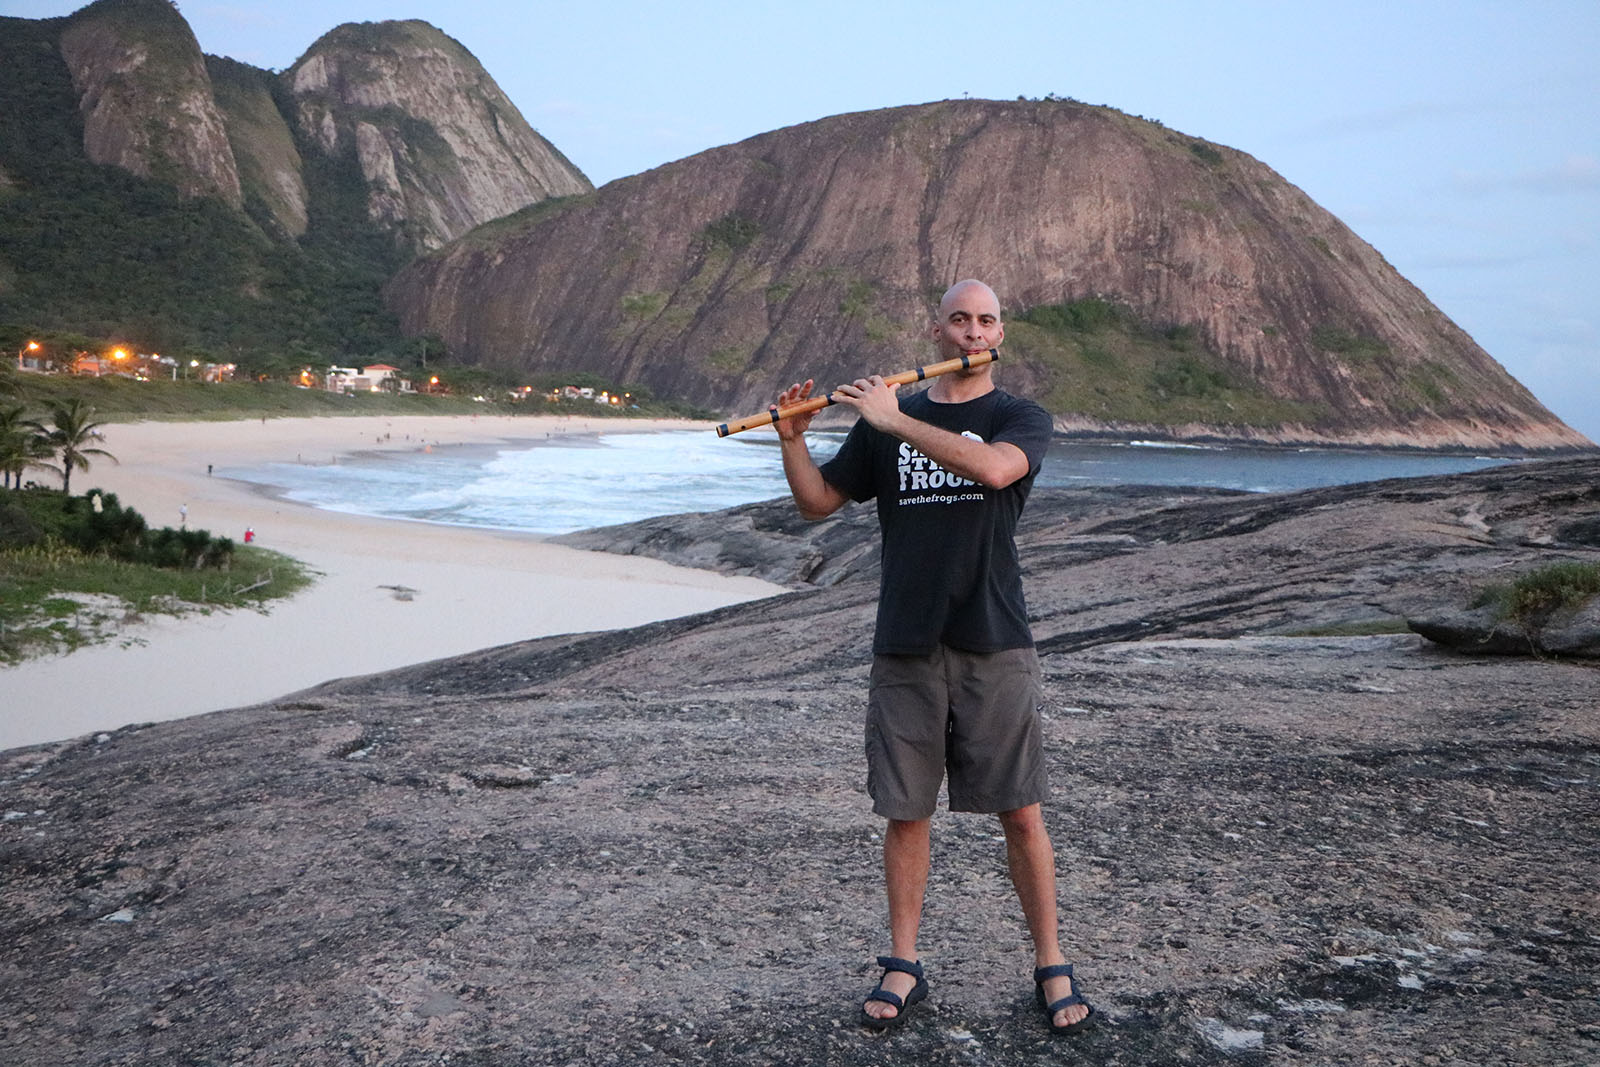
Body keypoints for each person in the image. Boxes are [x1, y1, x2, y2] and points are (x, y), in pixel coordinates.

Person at [774, 279, 1094, 1035]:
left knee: (1021, 810)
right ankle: (903, 961)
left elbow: (996, 469)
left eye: (986, 320)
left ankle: (1051, 960)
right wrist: (793, 439)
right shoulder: (894, 415)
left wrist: (894, 420)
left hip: (994, 638)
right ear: (939, 329)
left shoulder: (1018, 415)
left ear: (1000, 334)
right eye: (960, 319)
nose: (973, 331)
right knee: (906, 810)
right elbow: (820, 502)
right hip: (907, 643)